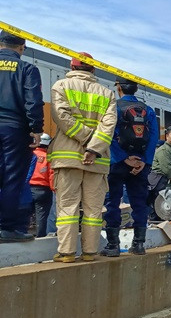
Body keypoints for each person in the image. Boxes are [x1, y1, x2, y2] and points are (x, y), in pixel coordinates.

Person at [49, 52, 117, 262]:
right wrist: (94, 147)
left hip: (68, 158)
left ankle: (67, 252)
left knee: (67, 207)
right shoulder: (107, 94)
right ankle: (90, 252)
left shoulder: (60, 86)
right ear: (93, 70)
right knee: (93, 209)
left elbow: (61, 117)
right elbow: (109, 125)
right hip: (97, 160)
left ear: (72, 67)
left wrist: (84, 138)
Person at [102, 78, 158, 256]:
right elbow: (154, 137)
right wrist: (143, 161)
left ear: (118, 87)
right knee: (140, 203)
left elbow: (108, 134)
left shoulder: (113, 107)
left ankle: (113, 246)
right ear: (136, 89)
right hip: (141, 164)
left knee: (112, 202)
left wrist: (123, 158)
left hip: (117, 163)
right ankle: (139, 244)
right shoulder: (148, 110)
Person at [0, 30, 43, 242]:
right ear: (21, 48)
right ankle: (6, 228)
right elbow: (33, 101)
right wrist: (36, 129)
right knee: (12, 178)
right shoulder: (27, 68)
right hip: (14, 130)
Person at [148, 125, 171, 221]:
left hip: (166, 182)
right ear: (167, 136)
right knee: (158, 209)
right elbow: (167, 169)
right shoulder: (164, 150)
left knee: (165, 210)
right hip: (159, 182)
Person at [30, 133, 55, 238]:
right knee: (42, 215)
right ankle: (40, 237)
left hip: (28, 188)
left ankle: (23, 233)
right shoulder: (49, 157)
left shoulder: (30, 155)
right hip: (43, 190)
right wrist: (54, 188)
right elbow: (51, 174)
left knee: (25, 213)